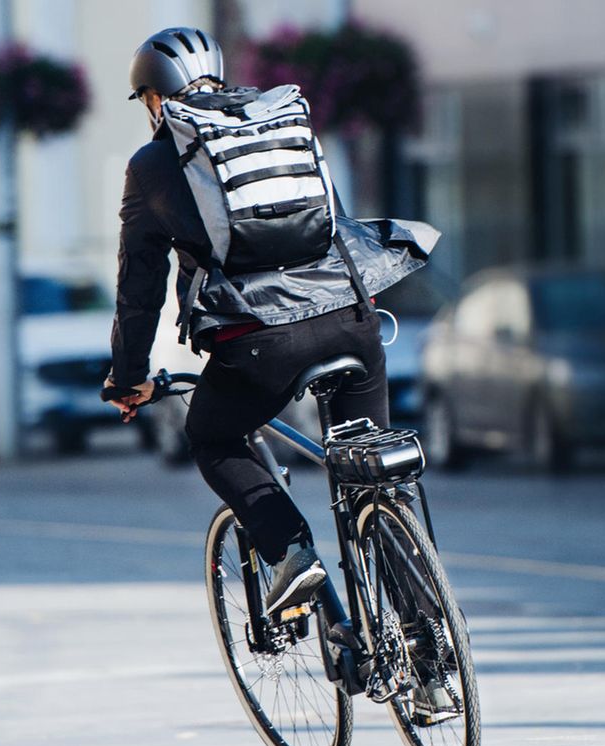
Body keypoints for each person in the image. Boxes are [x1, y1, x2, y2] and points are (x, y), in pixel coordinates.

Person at [104, 27, 422, 619]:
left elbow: (138, 287)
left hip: (259, 342)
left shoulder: (152, 164)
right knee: (373, 476)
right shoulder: (280, 123)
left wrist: (127, 377)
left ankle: (290, 552)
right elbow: (334, 221)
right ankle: (427, 644)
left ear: (153, 98)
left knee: (213, 436)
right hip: (352, 318)